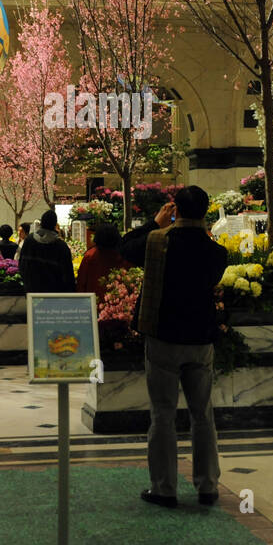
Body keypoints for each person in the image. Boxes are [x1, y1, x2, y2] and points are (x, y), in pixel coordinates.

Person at [119, 186, 228, 509]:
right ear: (206, 211)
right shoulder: (216, 253)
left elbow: (126, 248)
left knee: (162, 415)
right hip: (200, 340)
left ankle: (164, 489)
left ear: (175, 209)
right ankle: (207, 486)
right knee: (203, 414)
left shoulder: (157, 241)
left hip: (163, 338)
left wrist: (155, 222)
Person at [17, 210, 76, 293]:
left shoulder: (29, 240)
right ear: (55, 225)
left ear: (41, 223)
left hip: (32, 291)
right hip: (54, 294)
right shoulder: (61, 246)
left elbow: (22, 265)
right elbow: (68, 274)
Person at [76, 223, 130, 297]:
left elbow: (81, 282)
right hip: (116, 301)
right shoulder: (122, 255)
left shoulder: (90, 255)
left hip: (93, 301)